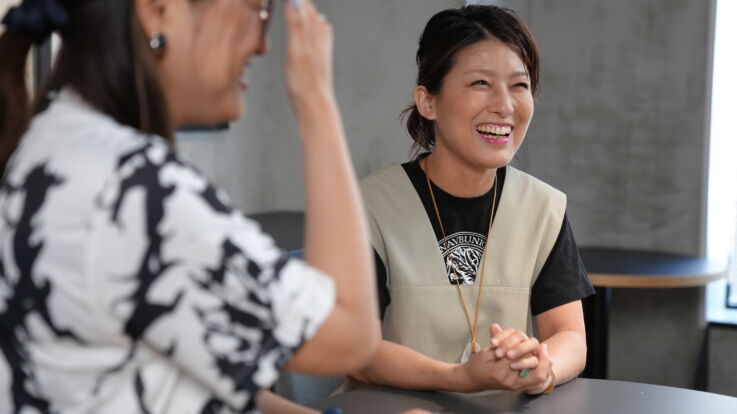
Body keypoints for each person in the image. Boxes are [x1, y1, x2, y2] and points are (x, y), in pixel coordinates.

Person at [0, 0, 383, 412]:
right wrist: (316, 102)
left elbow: (179, 375)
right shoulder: (133, 190)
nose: (263, 46)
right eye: (257, 10)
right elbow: (349, 336)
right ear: (158, 10)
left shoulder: (48, 148)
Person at [348, 5, 594, 395]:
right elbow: (358, 351)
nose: (505, 105)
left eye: (519, 85)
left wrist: (542, 367)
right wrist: (459, 378)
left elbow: (569, 336)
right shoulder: (368, 206)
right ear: (428, 101)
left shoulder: (544, 208)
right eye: (481, 83)